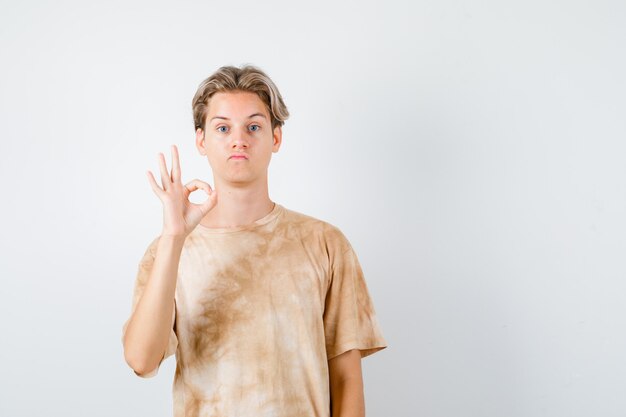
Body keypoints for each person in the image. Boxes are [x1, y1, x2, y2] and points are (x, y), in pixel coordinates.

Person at [121, 64, 388, 417]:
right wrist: (174, 236)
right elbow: (141, 360)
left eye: (254, 126)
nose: (239, 139)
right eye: (222, 127)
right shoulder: (167, 251)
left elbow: (346, 379)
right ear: (201, 140)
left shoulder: (324, 243)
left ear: (276, 138)